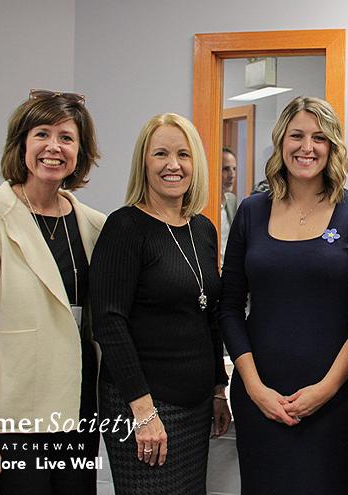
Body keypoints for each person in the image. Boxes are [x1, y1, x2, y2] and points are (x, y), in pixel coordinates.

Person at [0, 89, 104, 495]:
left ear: (80, 151)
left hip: (78, 416)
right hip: (10, 424)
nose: (54, 147)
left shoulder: (94, 225)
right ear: (22, 144)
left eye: (66, 137)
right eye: (41, 134)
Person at [219, 96, 348, 494]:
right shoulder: (252, 211)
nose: (306, 147)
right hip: (260, 397)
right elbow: (228, 307)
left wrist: (326, 389)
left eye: (319, 138)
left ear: (333, 147)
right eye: (297, 135)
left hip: (334, 397)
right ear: (281, 142)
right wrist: (255, 389)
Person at [90, 113, 231, 494]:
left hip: (196, 404)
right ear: (144, 163)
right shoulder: (124, 227)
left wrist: (219, 387)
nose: (173, 165)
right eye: (161, 154)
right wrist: (142, 410)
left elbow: (208, 315)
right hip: (143, 405)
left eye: (183, 154)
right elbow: (108, 323)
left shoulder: (202, 229)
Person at [220, 147, 238, 259]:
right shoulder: (204, 205)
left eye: (234, 169)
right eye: (226, 169)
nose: (232, 175)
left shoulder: (231, 200)